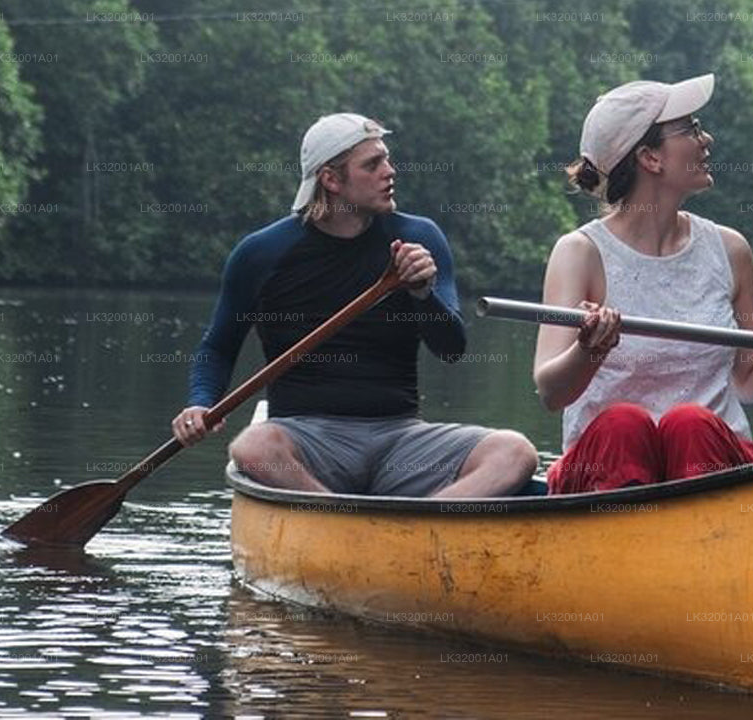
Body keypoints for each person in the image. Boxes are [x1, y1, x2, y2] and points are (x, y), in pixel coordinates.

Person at [533, 74, 753, 495]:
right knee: (623, 423)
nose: (707, 139)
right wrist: (588, 349)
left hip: (708, 462)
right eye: (691, 129)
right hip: (605, 475)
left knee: (690, 423)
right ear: (650, 158)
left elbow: (749, 375)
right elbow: (552, 392)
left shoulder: (731, 250)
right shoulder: (578, 253)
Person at [172, 112, 537, 498]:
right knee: (253, 448)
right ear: (331, 180)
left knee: (514, 452)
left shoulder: (418, 237)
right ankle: (341, 519)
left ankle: (414, 526)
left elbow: (451, 349)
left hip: (400, 438)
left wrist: (421, 294)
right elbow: (218, 347)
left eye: (387, 159)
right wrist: (200, 404)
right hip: (306, 439)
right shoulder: (261, 253)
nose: (390, 171)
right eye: (372, 164)